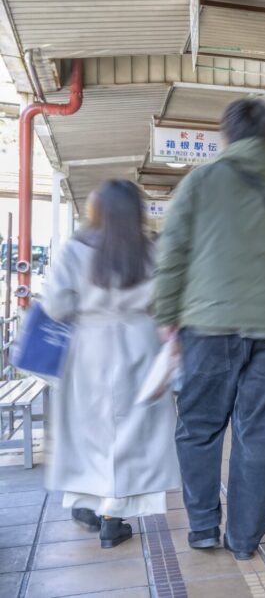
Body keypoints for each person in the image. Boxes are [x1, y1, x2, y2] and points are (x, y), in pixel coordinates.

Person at [153, 99, 265, 561]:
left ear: (225, 135)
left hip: (206, 328)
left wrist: (166, 316)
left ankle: (204, 527)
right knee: (255, 433)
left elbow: (171, 254)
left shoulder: (201, 182)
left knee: (198, 430)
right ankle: (245, 539)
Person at [45, 180, 180, 549]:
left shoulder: (75, 249)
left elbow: (55, 305)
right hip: (141, 343)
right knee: (135, 432)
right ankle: (113, 515)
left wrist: (86, 309)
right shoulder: (152, 250)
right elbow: (167, 300)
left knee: (90, 429)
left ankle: (89, 504)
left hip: (90, 345)